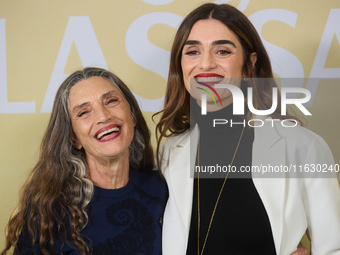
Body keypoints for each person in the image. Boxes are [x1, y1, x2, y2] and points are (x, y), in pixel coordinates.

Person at [154, 3, 340, 255]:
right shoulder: (170, 150)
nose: (205, 64)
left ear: (249, 63)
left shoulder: (303, 147)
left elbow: (334, 246)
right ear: (180, 65)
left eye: (222, 51)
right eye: (193, 51)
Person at [1, 67, 167, 255]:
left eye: (111, 101)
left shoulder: (163, 188)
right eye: (83, 112)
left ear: (132, 115)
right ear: (74, 139)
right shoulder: (49, 210)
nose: (103, 116)